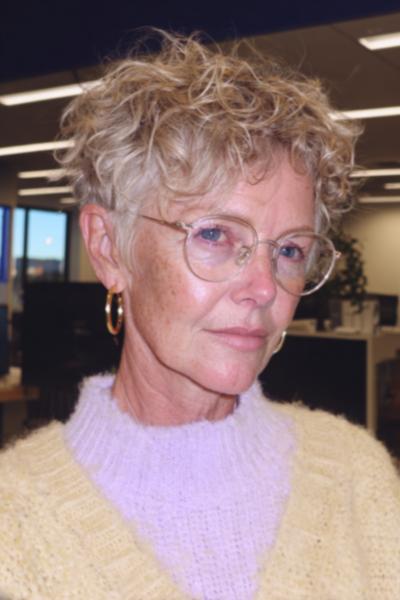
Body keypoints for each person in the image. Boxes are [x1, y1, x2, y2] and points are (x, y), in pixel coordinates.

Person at [0, 30, 399, 600]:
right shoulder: (13, 529)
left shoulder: (359, 481)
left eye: (289, 250)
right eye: (214, 235)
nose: (264, 288)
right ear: (110, 249)